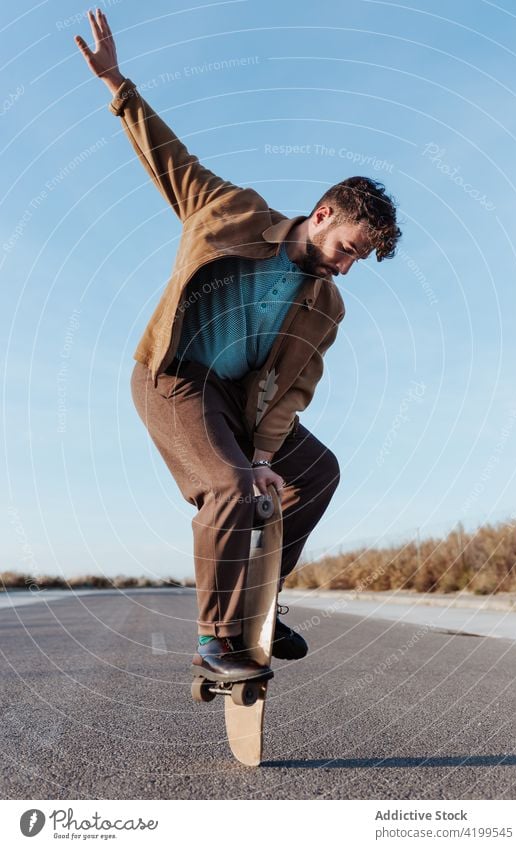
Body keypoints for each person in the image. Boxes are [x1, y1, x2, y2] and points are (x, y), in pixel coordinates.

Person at [74, 9, 401, 682]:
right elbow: (170, 160)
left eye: (358, 261)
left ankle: (257, 603)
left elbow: (289, 391)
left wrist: (262, 455)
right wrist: (118, 87)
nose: (345, 267)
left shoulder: (325, 306)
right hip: (174, 378)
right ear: (321, 215)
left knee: (315, 471)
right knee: (227, 487)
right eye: (346, 249)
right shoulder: (230, 210)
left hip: (238, 401)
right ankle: (215, 640)